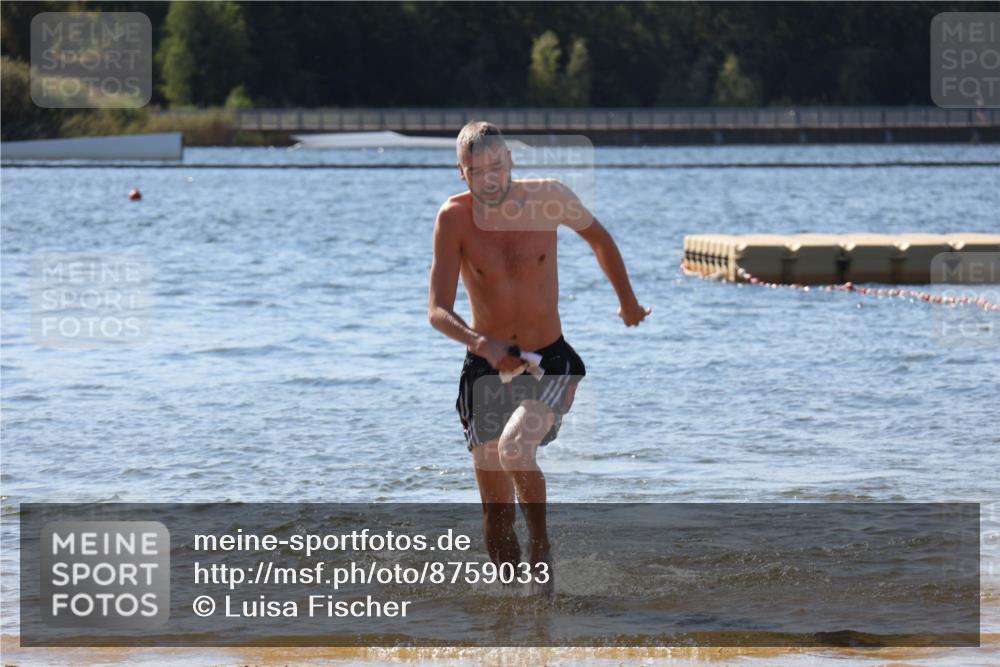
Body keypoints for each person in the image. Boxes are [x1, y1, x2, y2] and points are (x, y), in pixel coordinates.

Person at [427, 121, 650, 593]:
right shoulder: (454, 218)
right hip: (486, 367)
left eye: (496, 165)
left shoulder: (549, 197)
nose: (489, 178)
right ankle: (512, 612)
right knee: (495, 517)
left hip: (548, 360)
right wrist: (483, 344)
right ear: (461, 173)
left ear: (510, 160)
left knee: (514, 449)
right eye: (476, 170)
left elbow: (599, 239)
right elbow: (437, 312)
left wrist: (627, 301)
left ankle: (542, 550)